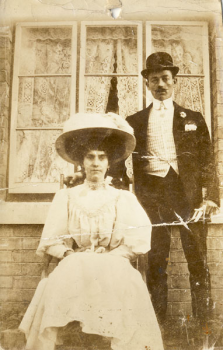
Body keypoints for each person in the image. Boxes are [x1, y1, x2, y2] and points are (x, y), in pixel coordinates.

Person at [19, 112, 164, 350]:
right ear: (82, 162)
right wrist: (68, 255)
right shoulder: (66, 196)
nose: (96, 163)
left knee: (126, 279)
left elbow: (137, 239)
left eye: (101, 157)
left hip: (113, 260)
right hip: (76, 260)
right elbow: (53, 238)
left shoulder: (122, 197)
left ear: (109, 163)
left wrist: (111, 257)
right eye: (90, 157)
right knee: (66, 273)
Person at [126, 52, 219, 327]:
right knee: (156, 260)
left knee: (198, 259)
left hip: (187, 194)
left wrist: (212, 196)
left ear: (174, 80)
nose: (160, 84)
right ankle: (158, 325)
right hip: (152, 194)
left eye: (165, 78)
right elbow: (120, 158)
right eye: (154, 80)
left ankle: (204, 324)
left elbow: (207, 160)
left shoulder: (194, 118)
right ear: (147, 84)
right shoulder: (135, 121)